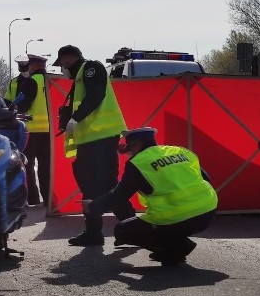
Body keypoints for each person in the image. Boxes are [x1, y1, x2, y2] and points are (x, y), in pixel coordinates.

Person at [84, 127, 218, 266]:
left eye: (129, 149)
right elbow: (205, 178)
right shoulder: (180, 152)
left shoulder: (139, 163)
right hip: (208, 212)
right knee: (163, 225)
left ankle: (176, 248)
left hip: (176, 217)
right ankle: (176, 243)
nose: (129, 153)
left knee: (123, 231)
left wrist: (93, 206)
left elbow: (119, 196)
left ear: (136, 145)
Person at [53, 44, 136, 246]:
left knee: (108, 185)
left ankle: (132, 228)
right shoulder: (80, 78)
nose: (63, 70)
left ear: (68, 59)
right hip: (91, 141)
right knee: (90, 187)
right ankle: (94, 233)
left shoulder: (91, 68)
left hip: (101, 138)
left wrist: (76, 118)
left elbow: (96, 95)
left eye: (63, 64)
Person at [13, 54, 51, 206]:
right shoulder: (52, 81)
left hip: (31, 130)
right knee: (46, 167)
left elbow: (23, 105)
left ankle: (33, 198)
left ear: (33, 66)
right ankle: (49, 199)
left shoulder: (31, 82)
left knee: (27, 165)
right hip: (49, 132)